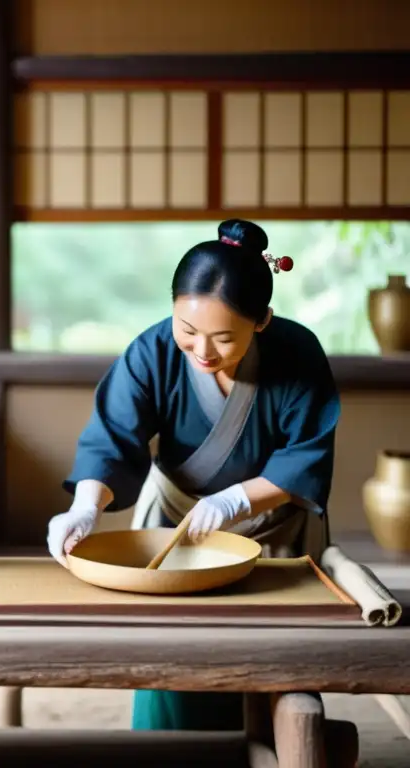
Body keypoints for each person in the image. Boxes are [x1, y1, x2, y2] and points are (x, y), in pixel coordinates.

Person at [46, 219, 340, 732]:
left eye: (223, 338)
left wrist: (235, 502)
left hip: (271, 527)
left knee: (271, 663)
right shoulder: (151, 352)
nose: (202, 351)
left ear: (262, 320)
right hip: (175, 521)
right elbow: (113, 437)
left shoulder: (298, 354)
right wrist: (85, 506)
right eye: (187, 332)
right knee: (169, 653)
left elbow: (306, 456)